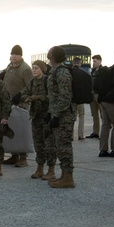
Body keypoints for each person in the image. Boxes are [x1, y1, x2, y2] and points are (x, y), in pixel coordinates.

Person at [45, 46, 77, 188]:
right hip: (58, 113)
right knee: (59, 146)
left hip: (64, 116)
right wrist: (50, 112)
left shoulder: (62, 72)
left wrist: (56, 114)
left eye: (50, 52)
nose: (48, 54)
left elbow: (65, 97)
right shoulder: (55, 71)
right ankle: (64, 175)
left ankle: (68, 178)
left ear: (53, 55)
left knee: (64, 146)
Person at [1, 45, 33, 167]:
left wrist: (20, 94)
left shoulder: (25, 69)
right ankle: (14, 155)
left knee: (21, 130)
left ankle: (23, 157)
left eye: (16, 54)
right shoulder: (10, 66)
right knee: (12, 129)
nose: (13, 56)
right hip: (10, 103)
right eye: (12, 54)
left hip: (21, 104)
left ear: (21, 56)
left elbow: (30, 85)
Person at [24, 61, 52, 179]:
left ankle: (51, 169)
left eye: (36, 68)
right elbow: (25, 92)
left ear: (42, 69)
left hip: (47, 117)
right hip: (36, 116)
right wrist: (25, 97)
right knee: (38, 144)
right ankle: (40, 168)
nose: (34, 70)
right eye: (33, 68)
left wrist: (38, 97)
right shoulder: (31, 82)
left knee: (49, 144)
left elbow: (52, 96)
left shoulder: (48, 81)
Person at [69, 57, 93, 142]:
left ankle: (71, 135)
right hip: (80, 98)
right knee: (81, 116)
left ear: (73, 63)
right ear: (80, 63)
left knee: (72, 117)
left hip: (71, 98)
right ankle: (81, 134)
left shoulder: (69, 72)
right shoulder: (84, 73)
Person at [87, 54, 103, 138]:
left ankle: (104, 132)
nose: (93, 63)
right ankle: (95, 131)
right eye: (93, 61)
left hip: (99, 94)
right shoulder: (93, 71)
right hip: (92, 94)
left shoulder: (103, 70)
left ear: (100, 61)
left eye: (95, 61)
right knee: (94, 114)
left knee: (102, 114)